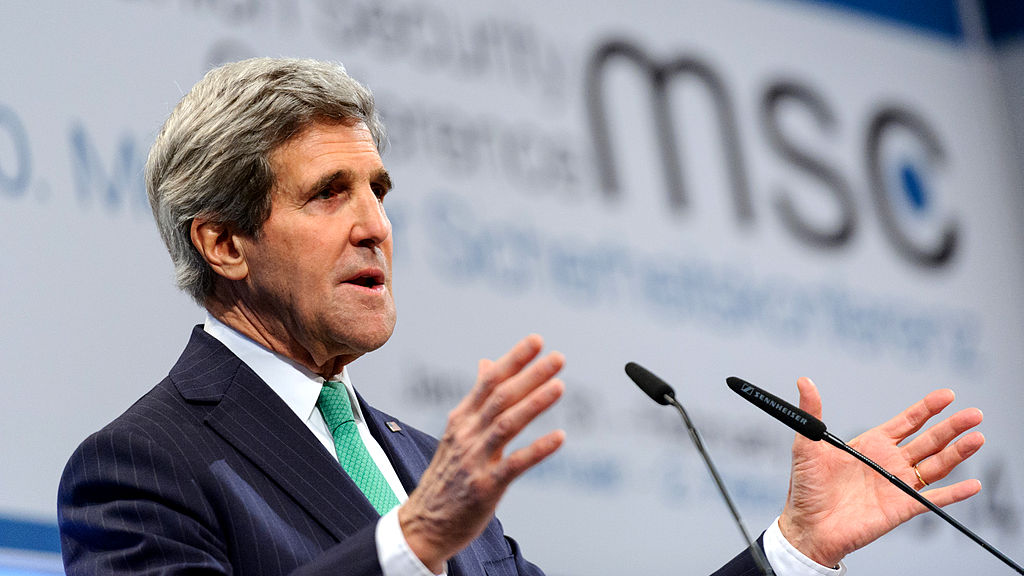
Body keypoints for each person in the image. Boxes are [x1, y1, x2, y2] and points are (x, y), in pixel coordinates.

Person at [57, 57, 986, 576]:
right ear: (224, 243)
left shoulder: (421, 461)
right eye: (329, 193)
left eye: (378, 190)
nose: (376, 225)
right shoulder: (139, 467)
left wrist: (792, 549)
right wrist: (412, 541)